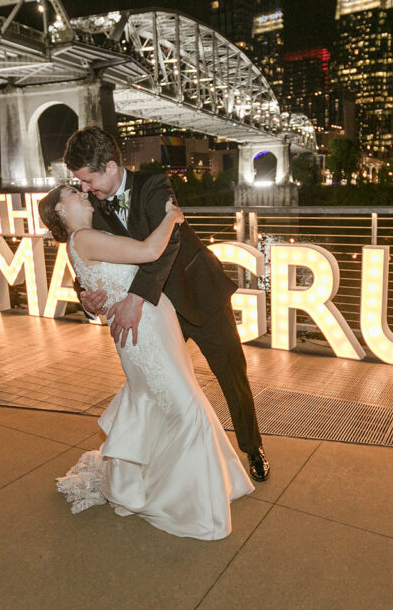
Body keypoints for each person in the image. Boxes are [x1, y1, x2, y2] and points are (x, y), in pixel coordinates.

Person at [38, 185, 253, 540]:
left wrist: (89, 299)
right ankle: (186, 503)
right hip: (145, 333)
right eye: (73, 194)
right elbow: (150, 251)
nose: (83, 194)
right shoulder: (86, 238)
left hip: (151, 327)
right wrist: (172, 215)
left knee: (164, 405)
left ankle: (165, 485)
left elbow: (104, 279)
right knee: (185, 410)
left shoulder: (81, 242)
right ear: (59, 210)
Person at [64, 126, 269, 482]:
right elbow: (87, 255)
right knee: (156, 387)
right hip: (155, 318)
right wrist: (84, 294)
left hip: (198, 297)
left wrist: (135, 297)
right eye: (80, 183)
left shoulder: (155, 184)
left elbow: (166, 248)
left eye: (88, 179)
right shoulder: (92, 207)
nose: (85, 188)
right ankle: (169, 465)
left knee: (232, 376)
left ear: (111, 167)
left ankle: (253, 448)